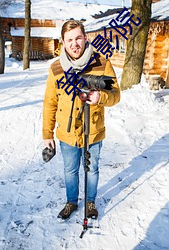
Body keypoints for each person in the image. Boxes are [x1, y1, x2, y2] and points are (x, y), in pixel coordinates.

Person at [42, 20, 120, 220]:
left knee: (92, 168)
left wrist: (100, 97)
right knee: (70, 170)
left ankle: (91, 202)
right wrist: (47, 134)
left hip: (93, 130)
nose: (74, 43)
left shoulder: (102, 63)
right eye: (69, 40)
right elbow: (50, 102)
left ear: (85, 38)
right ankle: (71, 202)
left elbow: (115, 95)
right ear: (63, 42)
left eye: (78, 38)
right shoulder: (56, 68)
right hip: (67, 133)